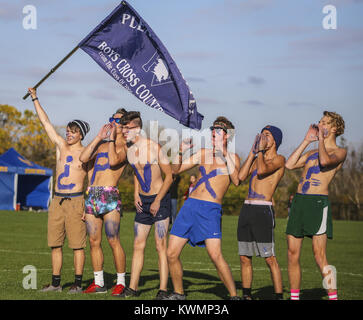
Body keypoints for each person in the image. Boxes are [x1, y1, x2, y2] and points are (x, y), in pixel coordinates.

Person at [165, 116, 241, 300]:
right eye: (213, 129)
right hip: (190, 206)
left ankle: (233, 296)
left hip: (210, 209)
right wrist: (180, 151)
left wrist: (224, 151)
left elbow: (237, 181)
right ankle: (179, 293)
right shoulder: (203, 152)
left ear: (227, 135)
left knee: (215, 255)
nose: (214, 132)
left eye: (219, 130)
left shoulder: (233, 157)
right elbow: (176, 170)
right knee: (171, 253)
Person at [28, 87, 90, 294]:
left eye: (73, 131)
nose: (68, 134)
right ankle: (55, 284)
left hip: (76, 201)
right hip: (57, 201)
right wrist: (35, 98)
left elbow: (92, 180)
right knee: (55, 244)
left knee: (77, 246)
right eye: (68, 131)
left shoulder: (86, 153)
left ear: (81, 134)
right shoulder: (61, 146)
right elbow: (45, 123)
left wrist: (88, 206)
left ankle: (77, 284)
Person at [285, 111, 346, 301]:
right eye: (319, 122)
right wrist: (306, 141)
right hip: (299, 203)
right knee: (292, 253)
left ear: (334, 128)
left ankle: (333, 297)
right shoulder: (311, 151)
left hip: (317, 204)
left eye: (325, 123)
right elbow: (289, 164)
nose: (320, 125)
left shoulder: (339, 152)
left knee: (319, 256)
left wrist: (320, 140)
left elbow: (325, 161)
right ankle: (295, 298)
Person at [113, 111, 173, 299]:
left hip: (159, 200)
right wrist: (135, 193)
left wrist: (157, 200)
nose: (123, 131)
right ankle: (132, 288)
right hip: (143, 202)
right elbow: (137, 173)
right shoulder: (130, 150)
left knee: (159, 245)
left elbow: (170, 176)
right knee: (138, 244)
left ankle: (163, 290)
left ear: (137, 128)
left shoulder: (154, 147)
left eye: (127, 128)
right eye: (122, 128)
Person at [79, 108, 128, 296]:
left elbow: (115, 161)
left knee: (113, 239)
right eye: (113, 119)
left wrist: (115, 138)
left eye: (119, 121)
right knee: (93, 241)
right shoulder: (101, 145)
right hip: (93, 196)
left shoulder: (124, 147)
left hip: (109, 195)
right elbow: (83, 158)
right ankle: (99, 282)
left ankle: (121, 282)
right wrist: (100, 137)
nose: (115, 123)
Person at [237, 125, 285, 300]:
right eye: (262, 134)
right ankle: (247, 295)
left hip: (262, 211)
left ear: (275, 140)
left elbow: (264, 171)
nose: (263, 137)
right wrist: (252, 152)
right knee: (244, 256)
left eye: (267, 135)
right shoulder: (258, 159)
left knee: (269, 258)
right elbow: (240, 178)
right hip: (246, 209)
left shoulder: (280, 159)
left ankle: (279, 296)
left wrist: (259, 153)